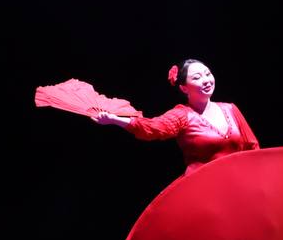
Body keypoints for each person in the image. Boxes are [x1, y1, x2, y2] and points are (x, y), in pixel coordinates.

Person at [92, 59, 259, 175]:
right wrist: (115, 120)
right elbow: (152, 128)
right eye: (197, 77)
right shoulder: (182, 115)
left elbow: (253, 146)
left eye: (207, 74)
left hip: (238, 180)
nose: (206, 80)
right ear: (184, 88)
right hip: (205, 187)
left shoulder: (230, 109)